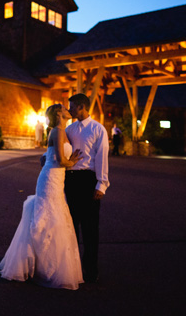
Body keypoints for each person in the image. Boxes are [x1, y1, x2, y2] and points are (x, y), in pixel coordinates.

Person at [0, 103, 84, 289]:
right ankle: (42, 265)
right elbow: (61, 160)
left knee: (55, 215)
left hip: (56, 177)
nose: (68, 109)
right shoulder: (58, 132)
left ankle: (44, 263)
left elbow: (49, 155)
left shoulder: (62, 131)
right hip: (51, 178)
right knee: (48, 216)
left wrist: (53, 159)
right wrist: (74, 161)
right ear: (59, 114)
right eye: (64, 107)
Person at [65, 94, 109, 283]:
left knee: (90, 228)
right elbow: (60, 150)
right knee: (70, 226)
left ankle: (91, 270)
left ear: (82, 106)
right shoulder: (69, 129)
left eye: (72, 106)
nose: (70, 110)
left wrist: (102, 184)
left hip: (89, 179)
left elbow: (102, 157)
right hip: (71, 180)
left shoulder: (98, 129)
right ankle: (72, 269)